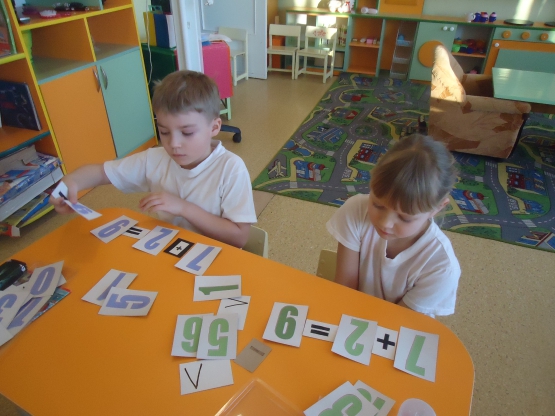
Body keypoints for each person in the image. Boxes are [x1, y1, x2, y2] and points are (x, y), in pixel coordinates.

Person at [50, 70, 256, 248]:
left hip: (218, 258)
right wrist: (71, 182)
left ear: (214, 127)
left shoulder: (231, 168)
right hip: (171, 251)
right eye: (164, 132)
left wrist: (183, 208)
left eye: (187, 133)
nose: (174, 143)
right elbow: (100, 173)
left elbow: (239, 237)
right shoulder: (155, 158)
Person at [326, 134, 460, 317]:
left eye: (405, 218)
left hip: (396, 328)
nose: (385, 223)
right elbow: (345, 288)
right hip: (353, 317)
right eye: (377, 205)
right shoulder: (356, 210)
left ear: (437, 208)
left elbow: (399, 321)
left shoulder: (441, 267)